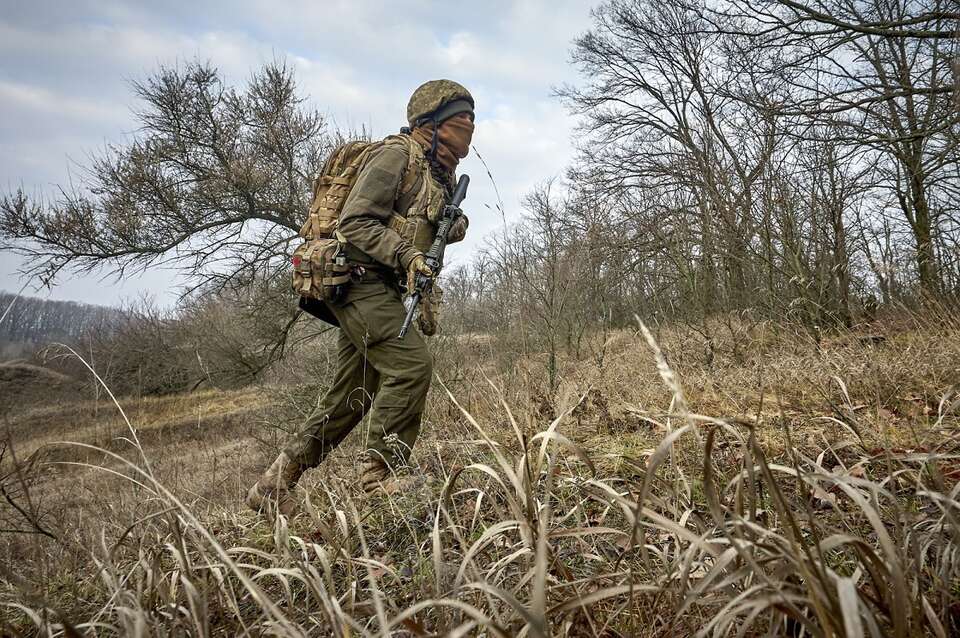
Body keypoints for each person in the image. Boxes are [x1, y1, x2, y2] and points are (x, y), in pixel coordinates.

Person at [246, 79, 475, 516]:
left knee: (355, 391)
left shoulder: (435, 175)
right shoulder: (395, 156)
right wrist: (406, 254)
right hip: (356, 279)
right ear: (433, 123)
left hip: (379, 285)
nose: (471, 126)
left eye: (472, 119)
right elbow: (354, 223)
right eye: (463, 118)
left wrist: (447, 228)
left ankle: (273, 484)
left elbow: (412, 224)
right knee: (411, 365)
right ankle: (379, 476)